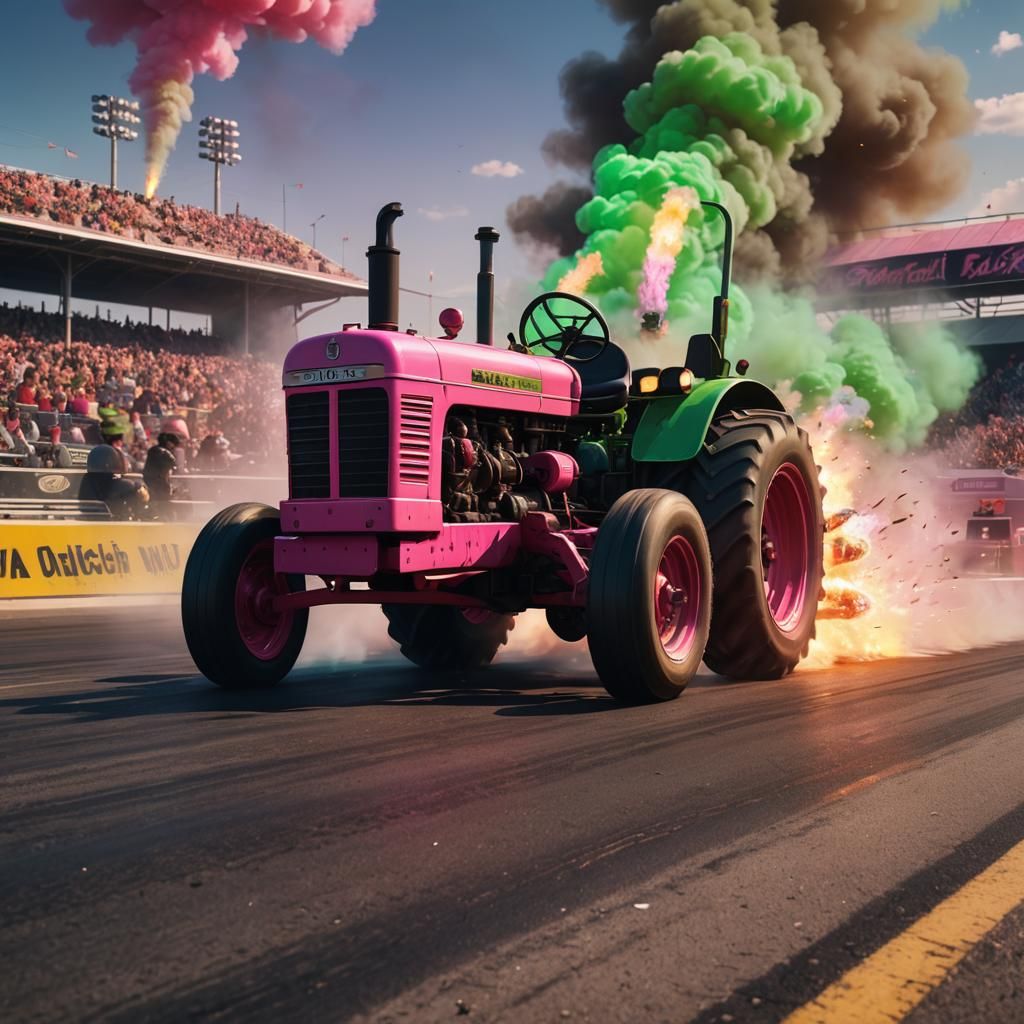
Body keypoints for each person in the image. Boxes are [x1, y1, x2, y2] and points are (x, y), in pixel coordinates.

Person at [79, 444, 148, 519]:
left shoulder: (87, 480)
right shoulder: (123, 485)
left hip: (88, 522)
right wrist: (137, 486)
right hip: (111, 523)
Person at [143, 432, 180, 516]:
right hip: (161, 482)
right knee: (164, 503)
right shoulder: (167, 453)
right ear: (169, 443)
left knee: (153, 501)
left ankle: (152, 515)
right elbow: (175, 467)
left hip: (149, 480)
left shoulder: (152, 450)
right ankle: (164, 516)